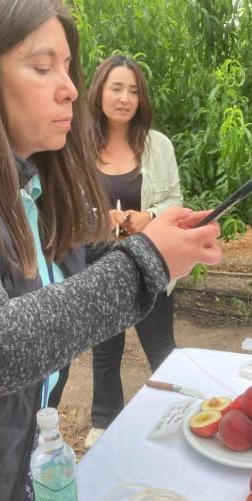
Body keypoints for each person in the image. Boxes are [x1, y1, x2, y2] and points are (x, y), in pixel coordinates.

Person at [0, 0, 221, 501]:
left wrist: (155, 243)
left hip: (21, 458)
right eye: (43, 67)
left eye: (67, 67)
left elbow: (68, 285)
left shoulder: (29, 188)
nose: (68, 89)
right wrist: (148, 261)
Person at [85, 55, 183, 448]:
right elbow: (65, 204)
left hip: (149, 262)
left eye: (133, 90)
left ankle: (177, 414)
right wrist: (98, 217)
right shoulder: (79, 145)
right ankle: (104, 421)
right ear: (100, 92)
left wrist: (150, 216)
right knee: (106, 350)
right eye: (116, 88)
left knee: (160, 345)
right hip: (100, 265)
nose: (125, 98)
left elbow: (175, 199)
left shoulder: (158, 145)